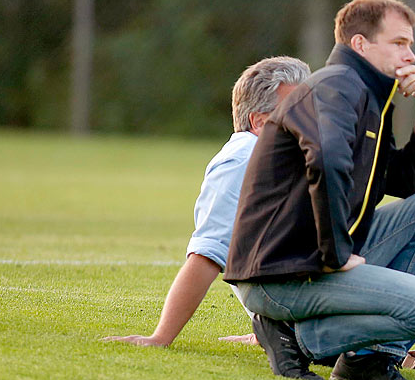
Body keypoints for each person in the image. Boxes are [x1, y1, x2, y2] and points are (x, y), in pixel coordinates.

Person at [224, 0, 415, 380]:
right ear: (360, 44)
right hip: (281, 273)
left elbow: (404, 184)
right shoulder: (337, 86)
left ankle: (368, 361)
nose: (410, 55)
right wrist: (336, 253)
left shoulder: (369, 97)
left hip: (312, 262)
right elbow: (327, 159)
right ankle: (298, 340)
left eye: (410, 45)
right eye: (399, 43)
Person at [102, 57, 311, 348]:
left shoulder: (290, 155)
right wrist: (160, 337)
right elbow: (207, 252)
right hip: (304, 306)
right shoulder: (242, 160)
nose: (310, 115)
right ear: (260, 121)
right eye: (296, 108)